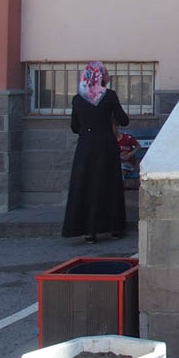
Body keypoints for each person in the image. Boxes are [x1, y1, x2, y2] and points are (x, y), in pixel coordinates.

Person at [61, 61, 129, 243]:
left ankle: (89, 232)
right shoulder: (109, 96)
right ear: (102, 77)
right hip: (106, 147)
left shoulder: (78, 99)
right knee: (108, 185)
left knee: (86, 185)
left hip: (85, 148)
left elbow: (75, 127)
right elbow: (124, 120)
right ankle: (114, 228)